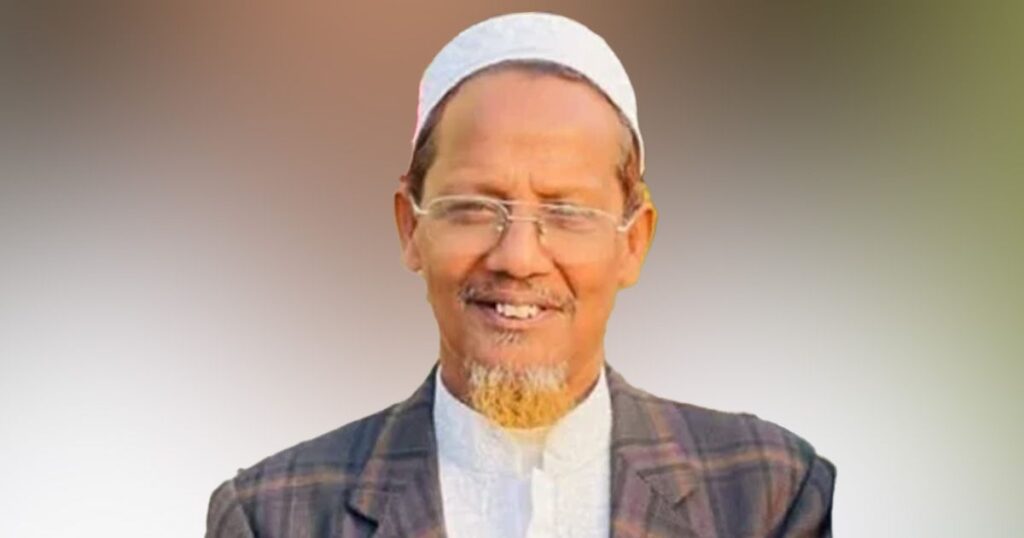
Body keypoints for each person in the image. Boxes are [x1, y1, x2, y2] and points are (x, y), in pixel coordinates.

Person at [206, 12, 835, 538]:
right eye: (475, 208)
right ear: (410, 227)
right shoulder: (274, 516)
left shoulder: (768, 494)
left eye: (566, 212)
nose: (518, 257)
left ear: (633, 242)